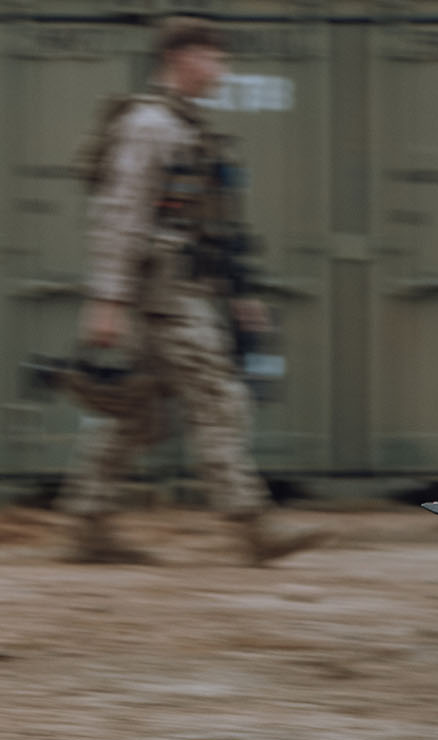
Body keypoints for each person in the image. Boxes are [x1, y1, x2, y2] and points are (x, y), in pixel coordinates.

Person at [59, 17, 326, 565]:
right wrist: (106, 302)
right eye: (215, 58)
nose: (222, 70)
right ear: (183, 57)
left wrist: (237, 291)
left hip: (177, 290)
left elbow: (209, 224)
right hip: (162, 297)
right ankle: (253, 528)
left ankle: (87, 525)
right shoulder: (149, 124)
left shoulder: (188, 125)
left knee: (135, 414)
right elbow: (119, 216)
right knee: (219, 398)